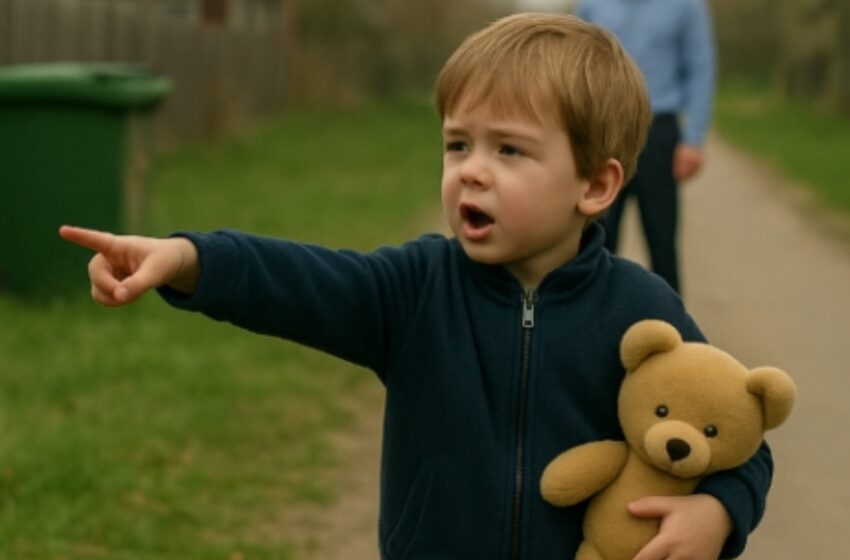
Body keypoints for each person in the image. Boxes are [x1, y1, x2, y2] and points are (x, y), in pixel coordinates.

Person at [60, 13, 772, 560]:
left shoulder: (640, 310)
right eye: (458, 143)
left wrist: (718, 514)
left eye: (509, 149)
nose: (471, 169)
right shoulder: (412, 290)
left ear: (595, 184)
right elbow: (294, 280)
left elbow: (739, 432)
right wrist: (187, 258)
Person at [575, 0, 716, 293]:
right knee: (595, 240)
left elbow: (701, 67)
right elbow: (574, 66)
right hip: (604, 133)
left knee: (662, 241)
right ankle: (592, 329)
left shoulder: (687, 6)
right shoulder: (591, 5)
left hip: (659, 132)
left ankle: (671, 331)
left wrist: (693, 139)